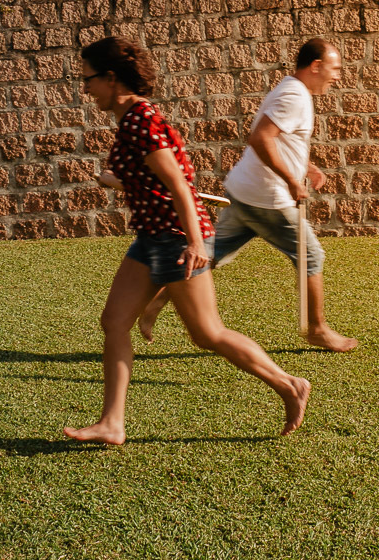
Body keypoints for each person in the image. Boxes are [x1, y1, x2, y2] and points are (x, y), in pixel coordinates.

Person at [63, 36, 310, 445]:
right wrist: (118, 178)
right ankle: (112, 423)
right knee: (115, 322)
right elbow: (155, 176)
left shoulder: (141, 119)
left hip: (175, 237)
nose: (85, 87)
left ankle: (289, 385)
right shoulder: (133, 120)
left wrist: (195, 243)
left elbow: (179, 185)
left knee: (208, 333)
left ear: (111, 78)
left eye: (88, 79)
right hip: (152, 236)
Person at [131, 38, 358, 353]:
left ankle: (159, 299)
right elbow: (260, 138)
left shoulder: (290, 89)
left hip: (246, 191)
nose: (337, 76)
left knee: (211, 253)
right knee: (311, 255)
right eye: (334, 68)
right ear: (316, 66)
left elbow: (284, 139)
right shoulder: (295, 95)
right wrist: (292, 180)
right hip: (268, 198)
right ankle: (317, 329)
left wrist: (309, 166)